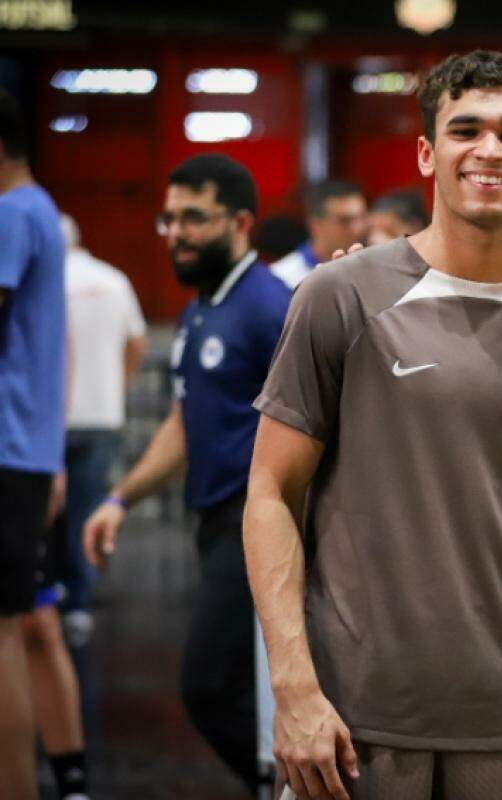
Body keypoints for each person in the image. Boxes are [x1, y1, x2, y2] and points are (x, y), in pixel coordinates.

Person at [245, 50, 502, 800]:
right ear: (429, 154)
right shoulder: (340, 295)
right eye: (466, 130)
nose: (491, 150)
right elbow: (270, 493)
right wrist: (294, 692)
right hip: (354, 712)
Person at [82, 153, 291, 794]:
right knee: (239, 684)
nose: (176, 233)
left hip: (254, 526)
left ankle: (286, 784)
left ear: (242, 223)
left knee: (206, 685)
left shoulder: (268, 308)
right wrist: (120, 496)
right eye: (169, 219)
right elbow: (184, 422)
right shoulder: (204, 308)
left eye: (194, 219)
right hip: (215, 526)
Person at [0, 88, 69, 800]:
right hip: (24, 447)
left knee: (3, 637)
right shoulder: (39, 209)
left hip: (7, 447)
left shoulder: (13, 213)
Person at [59, 213, 148, 636]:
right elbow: (137, 341)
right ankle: (80, 598)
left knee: (45, 512)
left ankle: (48, 593)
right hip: (102, 416)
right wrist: (117, 386)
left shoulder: (40, 281)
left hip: (50, 420)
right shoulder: (114, 280)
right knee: (88, 508)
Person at [271, 180, 368, 289]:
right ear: (315, 225)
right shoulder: (282, 278)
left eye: (362, 217)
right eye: (344, 221)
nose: (358, 229)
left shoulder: (373, 265)